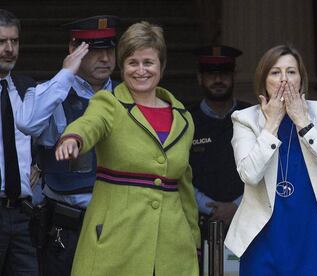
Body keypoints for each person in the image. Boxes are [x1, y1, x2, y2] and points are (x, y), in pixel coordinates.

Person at [54, 21, 200, 276]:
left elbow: (184, 185)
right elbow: (90, 123)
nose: (140, 70)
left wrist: (194, 242)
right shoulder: (109, 103)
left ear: (162, 67)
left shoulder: (183, 118)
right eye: (133, 62)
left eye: (148, 62)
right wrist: (73, 138)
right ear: (122, 67)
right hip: (115, 245)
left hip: (172, 251)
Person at [224, 44, 317, 275]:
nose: (284, 79)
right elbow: (249, 174)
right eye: (275, 73)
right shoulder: (245, 119)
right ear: (264, 80)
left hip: (315, 233)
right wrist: (271, 124)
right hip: (264, 237)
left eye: (291, 72)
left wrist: (304, 123)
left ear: (301, 79)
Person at [15, 15, 119, 276]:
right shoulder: (53, 92)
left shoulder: (126, 95)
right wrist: (65, 74)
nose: (105, 58)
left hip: (117, 222)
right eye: (94, 50)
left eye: (109, 49)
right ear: (73, 50)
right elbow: (27, 123)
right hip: (66, 226)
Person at [189, 45, 249, 230]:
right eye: (210, 74)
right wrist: (209, 207)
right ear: (200, 78)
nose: (217, 80)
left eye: (224, 73)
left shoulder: (252, 116)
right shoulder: (185, 119)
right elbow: (177, 172)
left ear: (234, 76)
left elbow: (267, 172)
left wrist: (236, 206)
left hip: (247, 219)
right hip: (197, 222)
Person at [0, 9, 39, 276]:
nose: (9, 49)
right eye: (1, 42)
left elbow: (46, 137)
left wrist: (41, 164)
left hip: (23, 215)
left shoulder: (27, 87)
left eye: (14, 41)